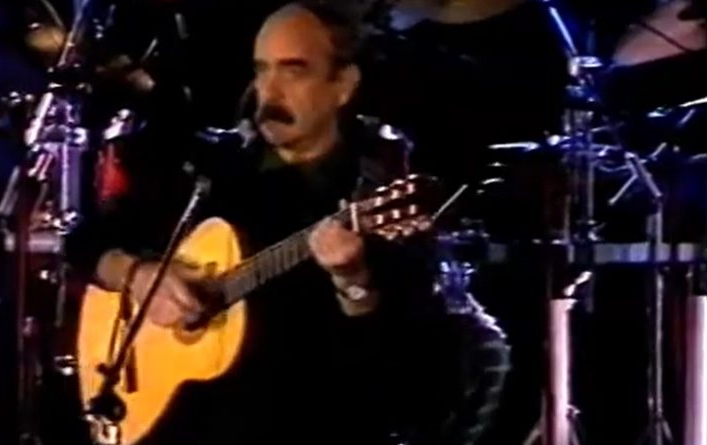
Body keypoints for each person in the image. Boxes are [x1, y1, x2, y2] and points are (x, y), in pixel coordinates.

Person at [68, 2, 509, 444]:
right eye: (262, 70)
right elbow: (84, 241)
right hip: (187, 425)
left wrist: (354, 284)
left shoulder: (373, 197)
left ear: (343, 85)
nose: (270, 91)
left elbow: (407, 394)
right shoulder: (215, 169)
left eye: (293, 71)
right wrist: (135, 275)